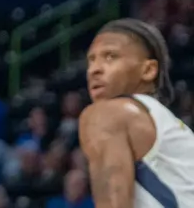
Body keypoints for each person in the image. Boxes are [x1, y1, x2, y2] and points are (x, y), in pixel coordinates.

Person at [80, 18, 194, 208]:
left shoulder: (110, 114)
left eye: (110, 56)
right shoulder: (168, 125)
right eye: (91, 60)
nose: (94, 69)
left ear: (148, 70)